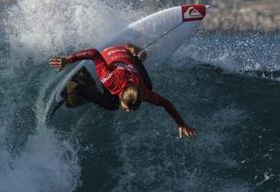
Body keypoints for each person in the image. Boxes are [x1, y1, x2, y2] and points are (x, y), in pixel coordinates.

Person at [49, 43, 197, 140]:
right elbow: (94, 53)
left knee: (148, 86)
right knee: (112, 105)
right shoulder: (109, 78)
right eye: (127, 108)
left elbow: (166, 104)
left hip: (123, 53)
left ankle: (133, 54)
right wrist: (67, 59)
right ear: (122, 97)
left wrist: (181, 124)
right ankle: (79, 87)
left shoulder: (144, 93)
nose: (126, 111)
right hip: (110, 53)